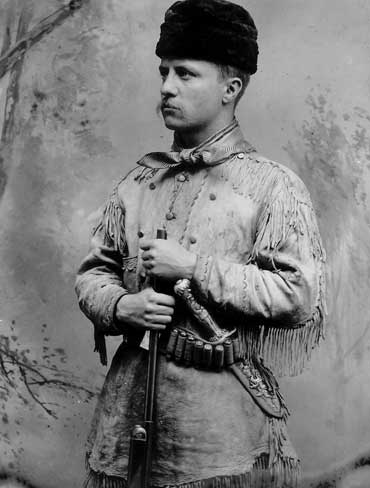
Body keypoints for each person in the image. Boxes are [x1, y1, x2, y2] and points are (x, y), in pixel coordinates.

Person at [75, 0, 326, 487]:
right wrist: (123, 306)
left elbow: (298, 296)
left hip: (222, 434)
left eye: (186, 74)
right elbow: (94, 273)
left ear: (231, 89)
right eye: (164, 72)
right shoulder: (138, 183)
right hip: (126, 418)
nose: (167, 87)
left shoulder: (273, 187)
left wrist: (194, 267)